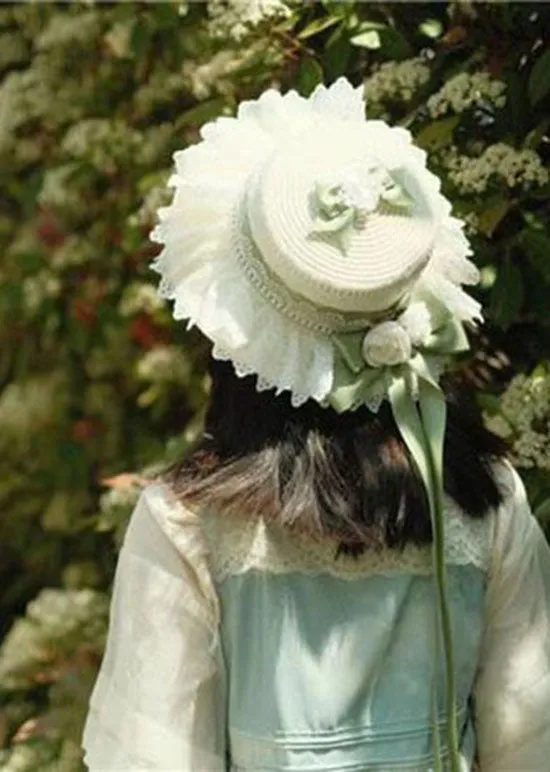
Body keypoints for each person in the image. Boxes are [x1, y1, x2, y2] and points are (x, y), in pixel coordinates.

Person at [82, 78, 550, 771]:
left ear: (235, 332)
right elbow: (530, 744)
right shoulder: (486, 501)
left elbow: (153, 759)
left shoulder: (188, 527)